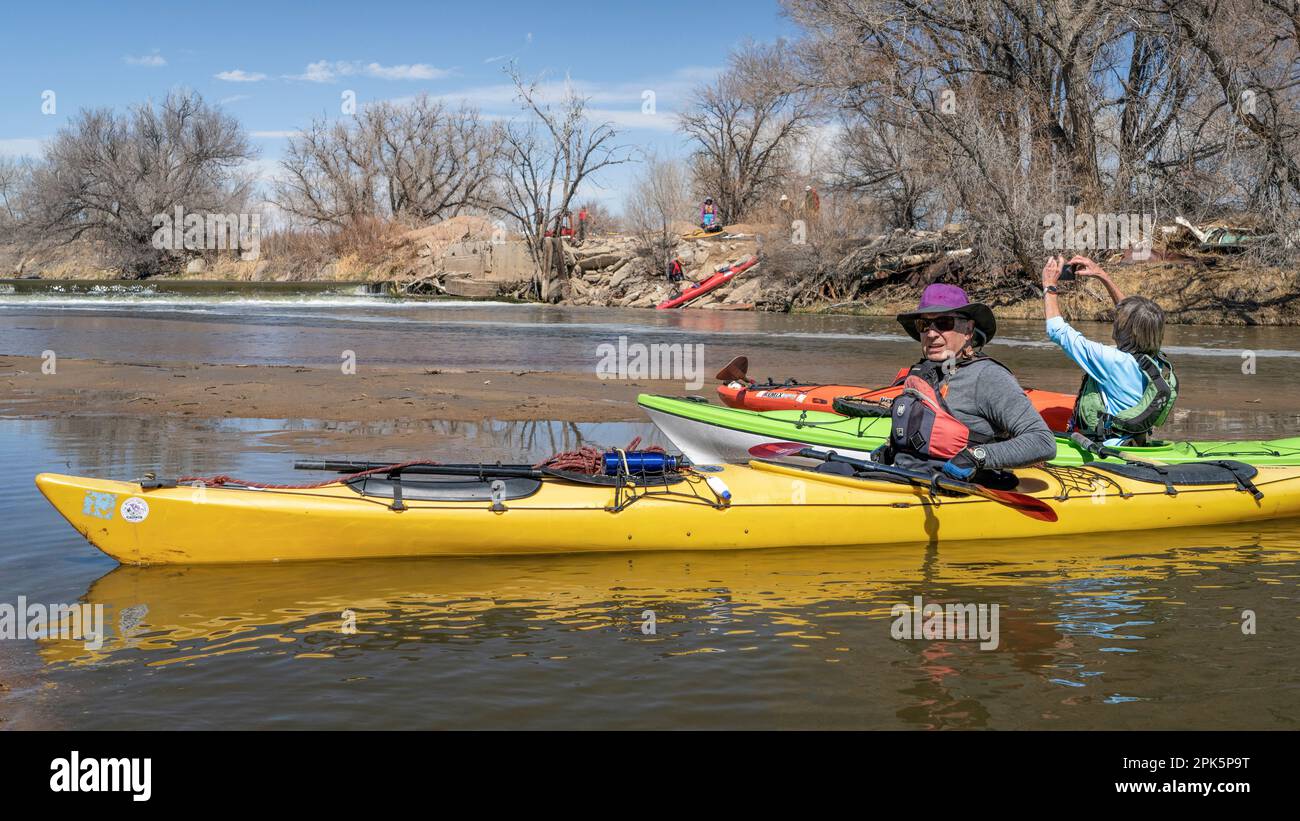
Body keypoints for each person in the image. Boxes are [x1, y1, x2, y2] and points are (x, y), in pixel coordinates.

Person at [877, 283, 1057, 481]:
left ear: (969, 330)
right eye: (924, 325)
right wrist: (891, 448)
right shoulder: (923, 373)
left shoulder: (988, 377)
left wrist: (977, 456)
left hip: (960, 491)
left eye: (944, 323)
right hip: (907, 479)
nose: (931, 333)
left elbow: (1042, 441)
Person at [1042, 255, 1177, 446]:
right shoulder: (1153, 357)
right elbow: (1133, 314)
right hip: (1135, 441)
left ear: (1124, 328)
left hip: (1108, 447)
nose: (1116, 319)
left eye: (1120, 319)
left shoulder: (1112, 361)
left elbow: (1057, 331)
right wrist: (1102, 275)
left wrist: (1049, 287)